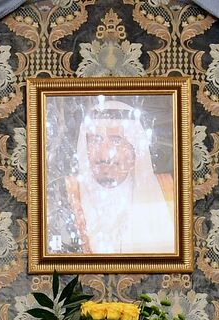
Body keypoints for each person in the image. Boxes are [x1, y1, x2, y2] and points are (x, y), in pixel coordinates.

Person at [52, 99, 176, 255]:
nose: (105, 154)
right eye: (96, 140)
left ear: (134, 149)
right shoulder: (65, 195)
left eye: (117, 140)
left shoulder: (167, 193)